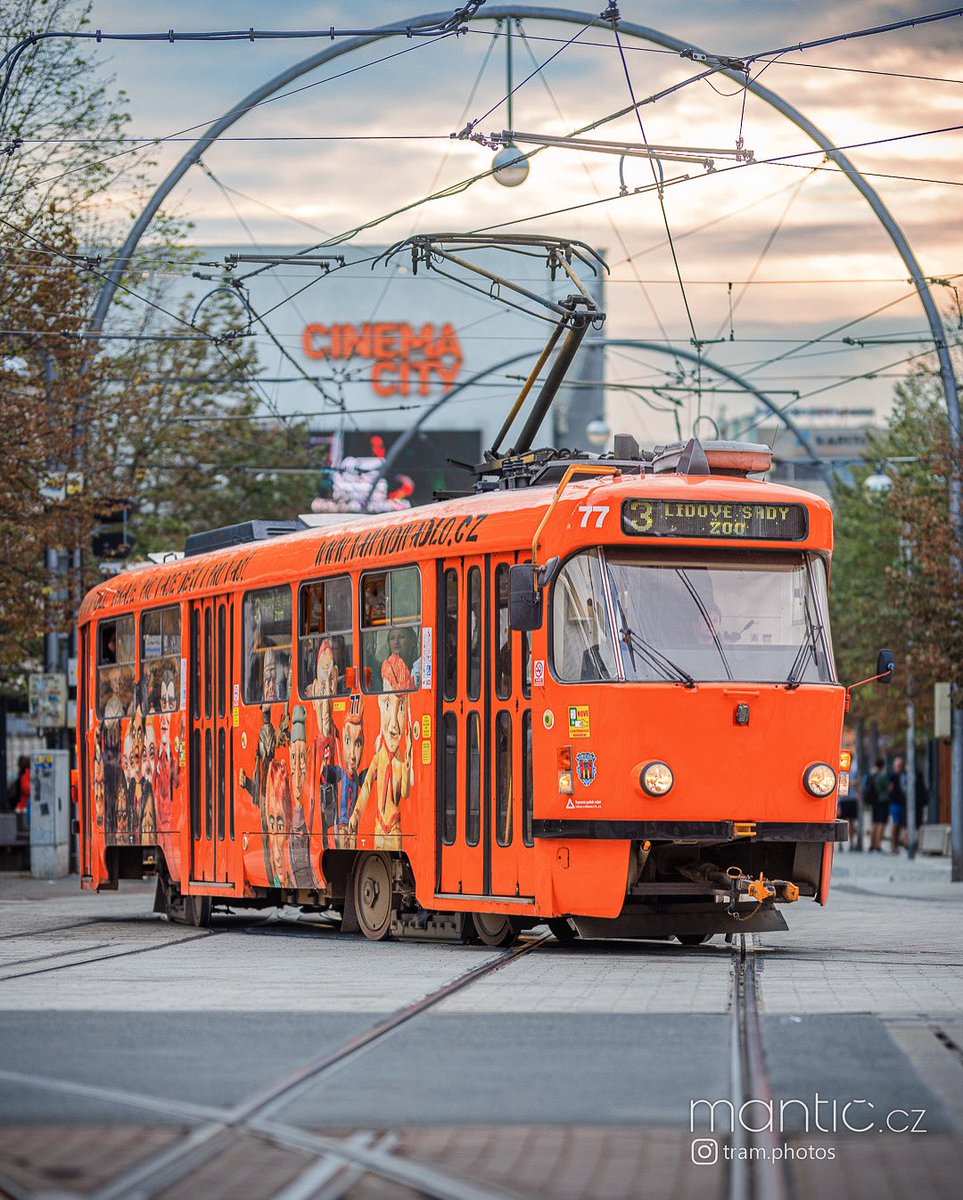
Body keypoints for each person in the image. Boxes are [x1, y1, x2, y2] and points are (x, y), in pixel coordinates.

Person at [868, 757, 889, 852]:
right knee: (881, 823)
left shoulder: (872, 775)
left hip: (874, 801)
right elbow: (889, 787)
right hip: (882, 801)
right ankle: (878, 845)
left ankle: (872, 844)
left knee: (874, 823)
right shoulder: (882, 776)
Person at [888, 754, 907, 853]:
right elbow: (889, 789)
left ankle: (898, 844)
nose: (900, 767)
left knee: (900, 824)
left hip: (903, 802)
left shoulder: (904, 775)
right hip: (895, 802)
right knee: (896, 823)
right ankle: (893, 845)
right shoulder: (892, 776)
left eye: (901, 765)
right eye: (898, 765)